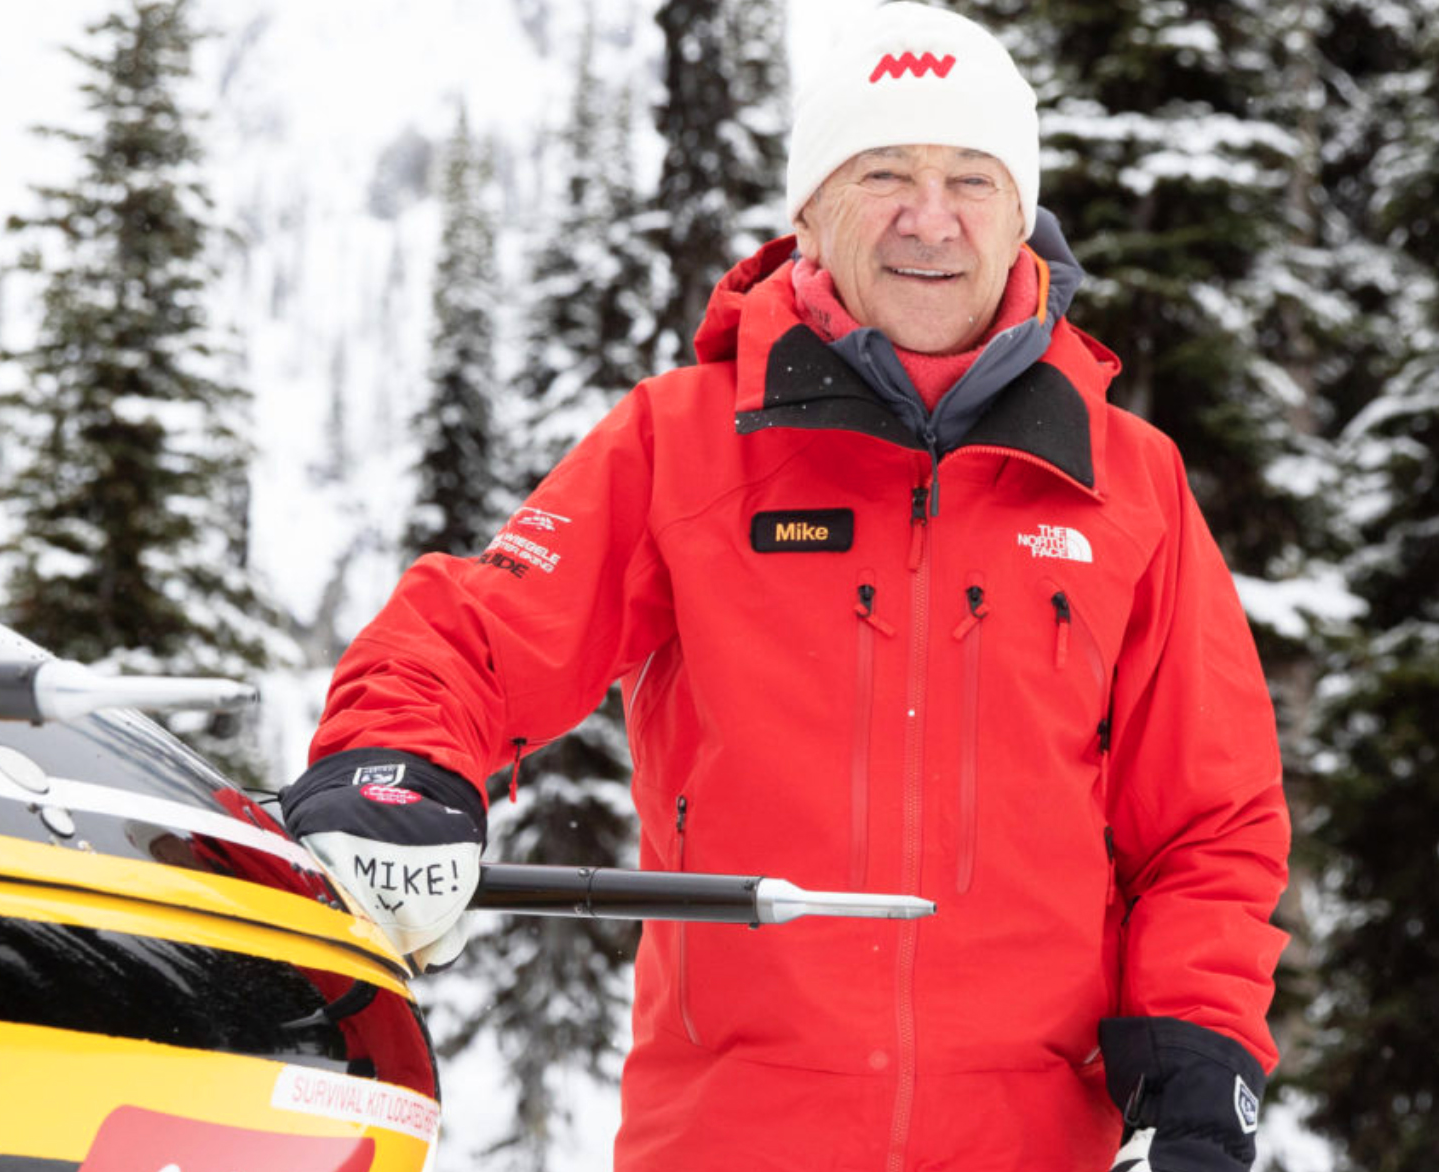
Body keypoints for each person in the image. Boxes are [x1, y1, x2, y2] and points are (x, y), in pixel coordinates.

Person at [280, 4, 1290, 1170]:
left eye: (971, 178)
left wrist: (1197, 1079)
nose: (930, 218)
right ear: (808, 209)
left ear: (1022, 215)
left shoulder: (1129, 483)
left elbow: (1208, 824)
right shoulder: (681, 443)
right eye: (883, 172)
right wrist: (393, 763)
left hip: (1035, 1143)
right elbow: (470, 636)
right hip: (730, 1137)